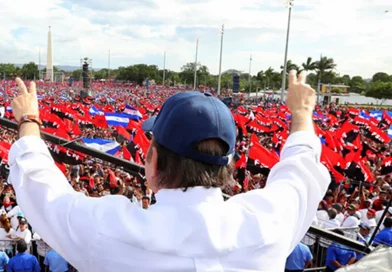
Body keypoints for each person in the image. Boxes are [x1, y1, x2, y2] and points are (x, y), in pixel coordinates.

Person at [8, 73, 330, 271]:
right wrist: (301, 113)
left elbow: (42, 187)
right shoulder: (268, 222)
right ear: (229, 166)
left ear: (152, 159)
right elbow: (300, 172)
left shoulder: (112, 230)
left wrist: (27, 120)